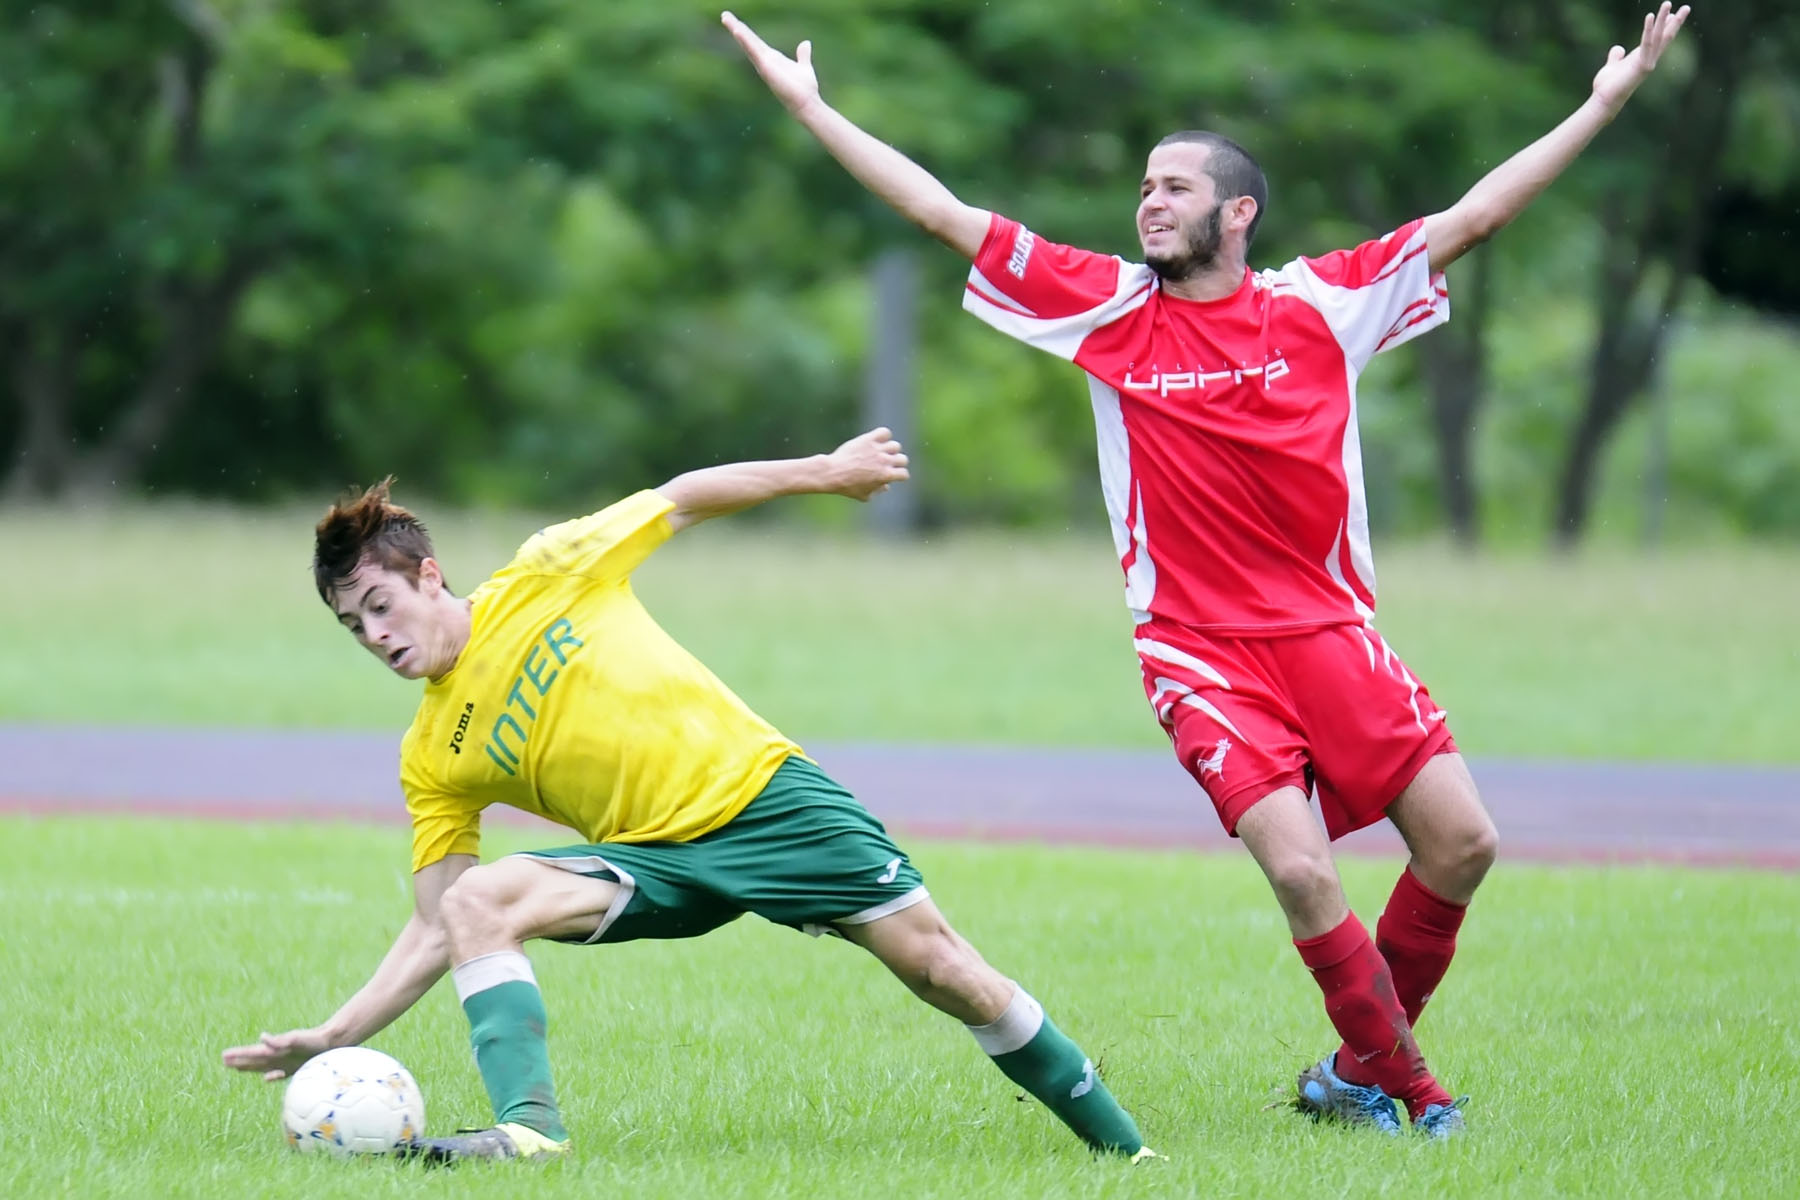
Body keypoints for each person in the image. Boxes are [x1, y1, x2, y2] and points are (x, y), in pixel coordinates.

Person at [725, 4, 1690, 1138]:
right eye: (1143, 186)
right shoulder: (1105, 311)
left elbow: (1476, 214)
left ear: (1237, 212)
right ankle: (1418, 1096)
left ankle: (1350, 1074)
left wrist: (1603, 102)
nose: (1149, 202)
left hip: (1331, 632)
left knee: (1465, 844)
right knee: (1303, 877)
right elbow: (943, 213)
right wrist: (813, 109)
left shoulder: (1321, 306)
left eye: (1174, 187)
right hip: (1198, 649)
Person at [221, 428, 1155, 1163]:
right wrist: (336, 1032)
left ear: (429, 575)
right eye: (353, 628)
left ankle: (1128, 1150)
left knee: (947, 973)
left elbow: (681, 499)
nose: (374, 634)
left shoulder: (548, 573)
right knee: (479, 898)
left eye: (379, 606)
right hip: (653, 865)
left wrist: (827, 472)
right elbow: (442, 924)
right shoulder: (431, 753)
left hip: (767, 802)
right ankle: (530, 1133)